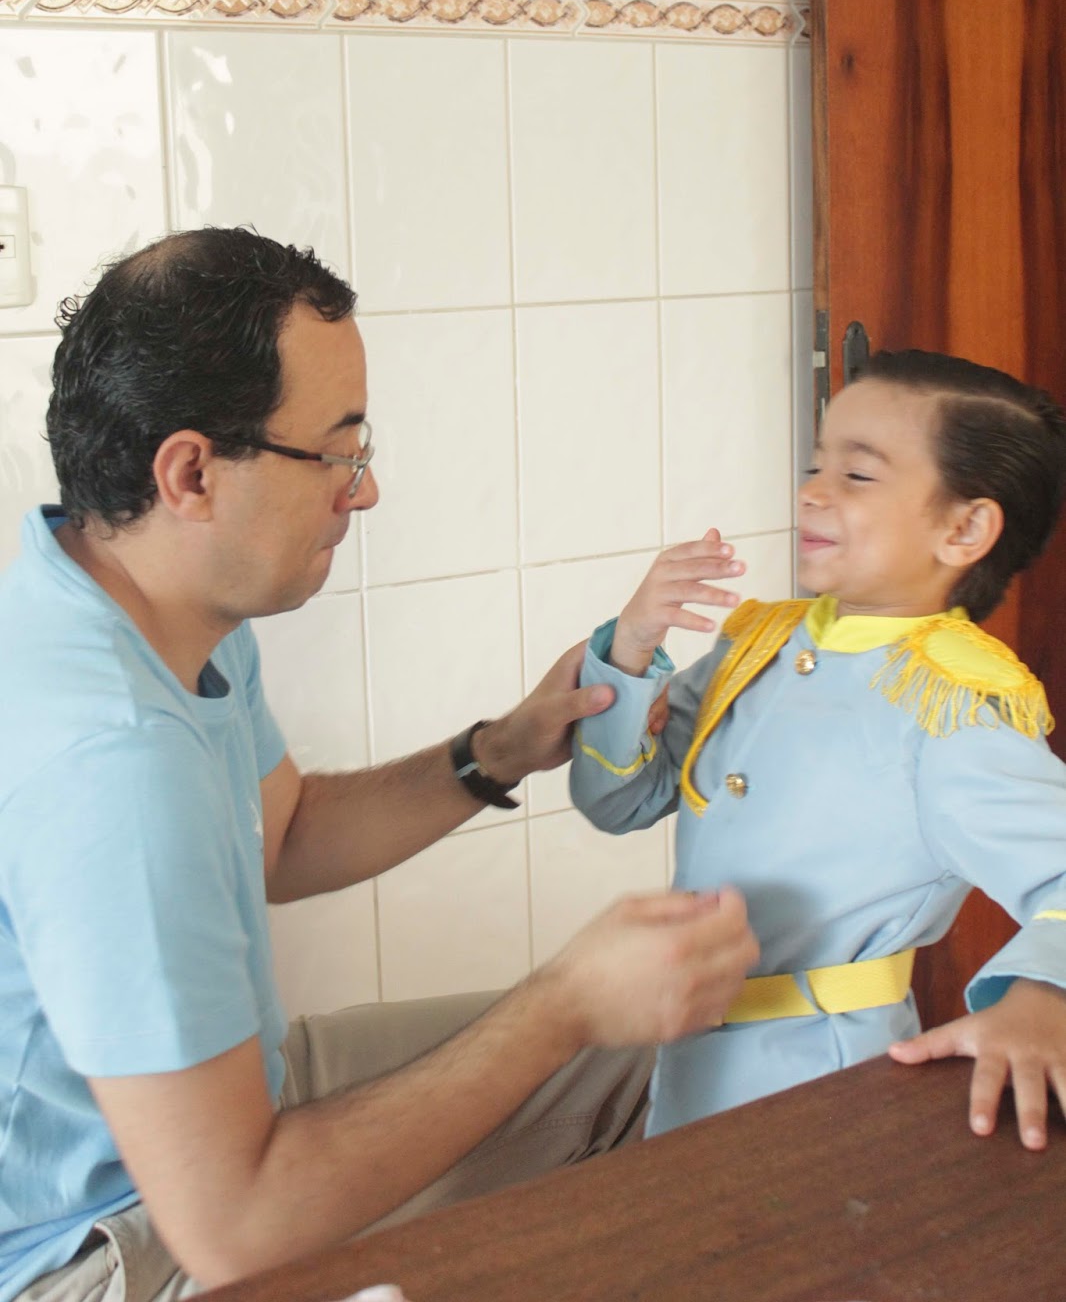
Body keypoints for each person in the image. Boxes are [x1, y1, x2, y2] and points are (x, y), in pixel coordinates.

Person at [0, 227, 761, 1302]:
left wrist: (494, 753)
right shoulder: (110, 761)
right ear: (191, 473)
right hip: (94, 1248)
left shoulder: (138, 601)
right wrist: (565, 1002)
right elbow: (234, 1229)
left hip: (200, 1131)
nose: (362, 494)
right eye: (337, 454)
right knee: (583, 1060)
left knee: (651, 1064)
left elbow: (283, 835)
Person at [570, 349, 1066, 1146]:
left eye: (858, 475)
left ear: (964, 529)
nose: (812, 491)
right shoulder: (758, 646)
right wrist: (630, 648)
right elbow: (617, 800)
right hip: (691, 1064)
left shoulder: (948, 708)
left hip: (826, 1089)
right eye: (815, 464)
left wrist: (1042, 999)